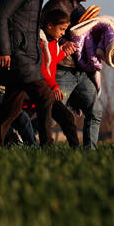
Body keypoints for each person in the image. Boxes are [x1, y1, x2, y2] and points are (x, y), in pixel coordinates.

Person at [0, 0, 64, 147]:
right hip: (18, 57)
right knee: (46, 97)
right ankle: (47, 148)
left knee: (11, 109)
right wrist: (4, 51)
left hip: (26, 56)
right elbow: (0, 16)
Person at [42, 0, 102, 149]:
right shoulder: (55, 5)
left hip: (80, 72)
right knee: (52, 116)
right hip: (61, 71)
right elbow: (43, 34)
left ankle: (90, 152)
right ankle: (23, 142)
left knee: (95, 111)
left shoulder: (82, 9)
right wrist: (61, 44)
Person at [39, 9, 79, 147]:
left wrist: (63, 52)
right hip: (39, 88)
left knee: (66, 117)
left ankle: (76, 149)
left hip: (47, 88)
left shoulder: (54, 42)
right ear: (50, 25)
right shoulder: (40, 42)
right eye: (61, 29)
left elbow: (53, 60)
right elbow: (42, 68)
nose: (63, 33)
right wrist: (54, 86)